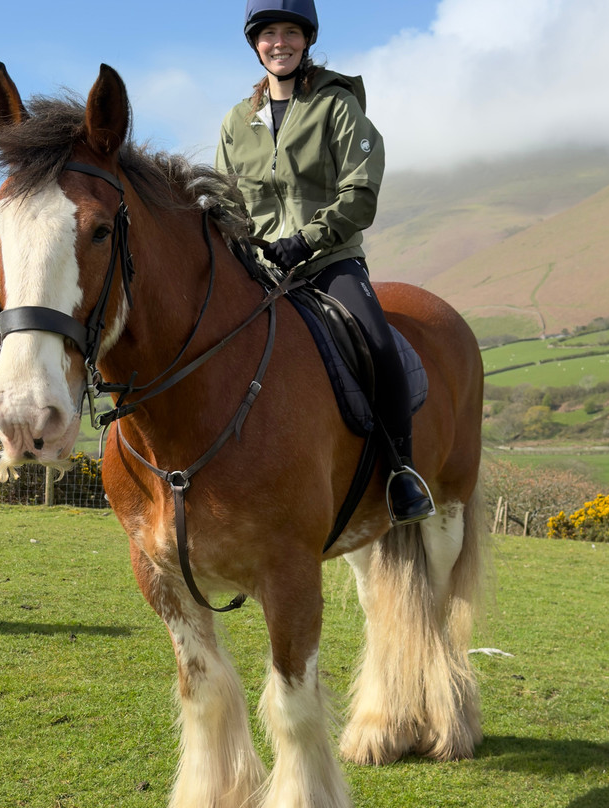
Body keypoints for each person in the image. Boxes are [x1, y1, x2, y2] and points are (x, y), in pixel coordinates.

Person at [216, 0, 434, 525]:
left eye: (291, 32)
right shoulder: (236, 122)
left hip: (329, 261)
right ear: (255, 44)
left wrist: (308, 239)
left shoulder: (337, 107)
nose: (280, 43)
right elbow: (224, 198)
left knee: (377, 342)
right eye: (269, 34)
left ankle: (402, 472)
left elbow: (361, 191)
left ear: (307, 39)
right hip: (261, 270)